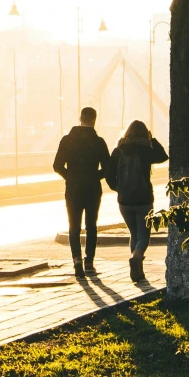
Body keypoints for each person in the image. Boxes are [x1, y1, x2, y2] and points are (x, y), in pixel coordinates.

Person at [108, 118, 167, 285]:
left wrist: (118, 189)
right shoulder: (145, 149)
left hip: (124, 201)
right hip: (144, 199)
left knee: (133, 233)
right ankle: (136, 257)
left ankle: (138, 272)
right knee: (144, 235)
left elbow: (109, 174)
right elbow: (163, 156)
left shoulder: (118, 150)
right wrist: (152, 138)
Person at [53, 106, 110, 275]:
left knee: (74, 226)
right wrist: (95, 176)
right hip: (92, 189)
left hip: (73, 189)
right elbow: (107, 167)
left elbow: (57, 165)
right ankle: (89, 262)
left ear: (80, 119)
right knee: (91, 225)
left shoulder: (67, 140)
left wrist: (70, 176)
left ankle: (76, 260)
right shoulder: (99, 142)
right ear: (94, 120)